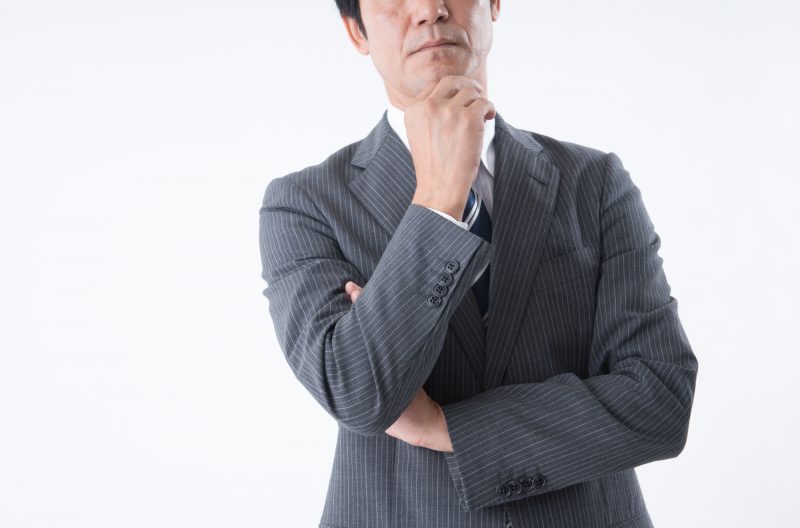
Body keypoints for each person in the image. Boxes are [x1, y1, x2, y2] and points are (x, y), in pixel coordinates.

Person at [258, 1, 699, 526]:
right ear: (357, 31)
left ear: (493, 4)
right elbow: (358, 394)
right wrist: (438, 200)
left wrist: (445, 428)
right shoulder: (305, 204)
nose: (430, 10)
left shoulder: (594, 182)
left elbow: (661, 400)